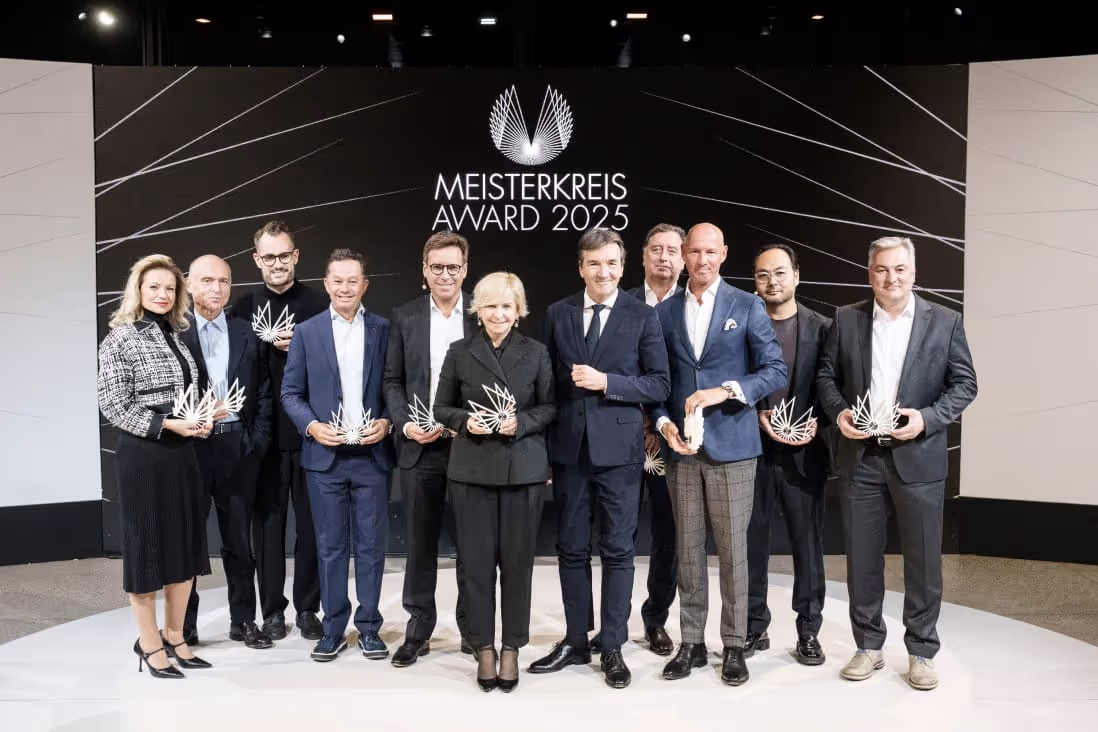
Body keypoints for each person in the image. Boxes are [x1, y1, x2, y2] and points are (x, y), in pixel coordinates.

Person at [816, 236, 977, 691]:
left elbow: (965, 384)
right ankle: (868, 647)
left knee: (923, 562)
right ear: (870, 274)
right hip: (861, 457)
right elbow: (826, 377)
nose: (891, 278)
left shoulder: (945, 321)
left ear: (914, 272)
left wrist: (926, 419)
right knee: (862, 559)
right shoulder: (846, 320)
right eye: (882, 269)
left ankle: (922, 651)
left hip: (918, 457)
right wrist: (839, 412)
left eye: (900, 269)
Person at [530, 228, 670, 689]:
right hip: (569, 453)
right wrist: (546, 452)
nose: (603, 272)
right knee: (570, 548)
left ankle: (612, 644)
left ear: (622, 266)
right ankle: (574, 639)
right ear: (580, 267)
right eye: (594, 264)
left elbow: (659, 384)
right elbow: (546, 386)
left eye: (611, 263)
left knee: (617, 549)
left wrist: (607, 381)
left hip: (620, 454)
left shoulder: (642, 315)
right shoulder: (558, 313)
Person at [651, 223, 787, 687]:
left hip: (733, 448)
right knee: (687, 550)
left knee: (732, 551)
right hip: (681, 451)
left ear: (724, 254)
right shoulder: (664, 313)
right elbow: (657, 383)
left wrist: (725, 391)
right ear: (684, 256)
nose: (702, 259)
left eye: (711, 251)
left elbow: (773, 371)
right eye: (695, 252)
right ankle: (691, 642)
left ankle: (733, 644)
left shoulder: (747, 305)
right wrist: (664, 424)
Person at [433, 272, 555, 693]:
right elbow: (440, 408)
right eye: (490, 306)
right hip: (472, 472)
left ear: (518, 311)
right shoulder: (459, 352)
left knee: (518, 567)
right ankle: (483, 645)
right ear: (477, 311)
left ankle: (512, 648)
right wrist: (469, 422)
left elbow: (550, 407)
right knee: (477, 567)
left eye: (507, 306)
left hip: (523, 472)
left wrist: (520, 422)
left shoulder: (537, 353)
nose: (498, 314)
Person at [97, 254, 213, 678]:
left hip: (182, 455)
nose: (162, 294)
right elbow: (113, 405)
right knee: (147, 550)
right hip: (144, 456)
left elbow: (188, 395)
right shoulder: (119, 339)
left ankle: (176, 636)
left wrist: (204, 415)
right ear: (138, 291)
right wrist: (168, 424)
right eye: (154, 288)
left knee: (183, 547)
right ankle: (149, 645)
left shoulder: (177, 337)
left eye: (169, 288)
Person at [281, 248, 395, 662]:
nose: (345, 288)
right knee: (329, 547)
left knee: (370, 547)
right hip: (324, 458)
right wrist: (311, 425)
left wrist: (386, 422)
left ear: (364, 285)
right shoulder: (307, 332)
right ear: (327, 284)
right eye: (337, 281)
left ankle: (368, 628)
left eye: (353, 281)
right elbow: (290, 392)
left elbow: (394, 387)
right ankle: (332, 629)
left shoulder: (385, 329)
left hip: (371, 456)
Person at [228, 220, 328, 644]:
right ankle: (272, 611)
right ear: (257, 260)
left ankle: (308, 608)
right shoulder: (243, 308)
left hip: (312, 435)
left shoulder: (321, 304)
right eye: (269, 257)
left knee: (312, 527)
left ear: (296, 256)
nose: (277, 264)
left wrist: (304, 346)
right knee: (268, 529)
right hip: (264, 441)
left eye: (284, 255)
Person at [384, 231, 478, 665]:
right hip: (420, 448)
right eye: (436, 266)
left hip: (471, 448)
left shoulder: (482, 315)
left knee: (472, 544)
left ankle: (474, 630)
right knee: (419, 545)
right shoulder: (404, 317)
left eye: (453, 267)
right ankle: (418, 628)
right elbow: (392, 381)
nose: (445, 274)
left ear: (465, 269)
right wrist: (404, 425)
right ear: (424, 270)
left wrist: (470, 423)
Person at [745, 243, 832, 666]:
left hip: (805, 452)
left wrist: (822, 421)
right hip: (752, 452)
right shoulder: (741, 323)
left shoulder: (824, 328)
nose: (772, 281)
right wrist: (757, 411)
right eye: (763, 275)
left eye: (780, 273)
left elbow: (836, 388)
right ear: (754, 281)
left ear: (797, 275)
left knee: (807, 546)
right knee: (750, 544)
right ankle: (752, 626)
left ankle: (809, 631)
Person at [181, 255, 275, 650]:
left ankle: (243, 621)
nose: (216, 288)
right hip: (189, 450)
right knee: (187, 542)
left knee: (239, 542)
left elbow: (265, 392)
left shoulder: (246, 333)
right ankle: (183, 626)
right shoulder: (175, 333)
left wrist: (254, 441)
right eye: (207, 280)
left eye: (223, 281)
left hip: (238, 447)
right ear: (188, 284)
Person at [612, 222, 686, 658]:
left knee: (668, 535)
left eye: (672, 250)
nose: (663, 257)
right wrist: (639, 422)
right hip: (621, 435)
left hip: (671, 439)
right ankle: (611, 623)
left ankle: (656, 618)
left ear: (683, 258)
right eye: (655, 249)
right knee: (618, 534)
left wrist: (663, 425)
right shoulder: (621, 303)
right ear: (640, 258)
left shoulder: (692, 306)